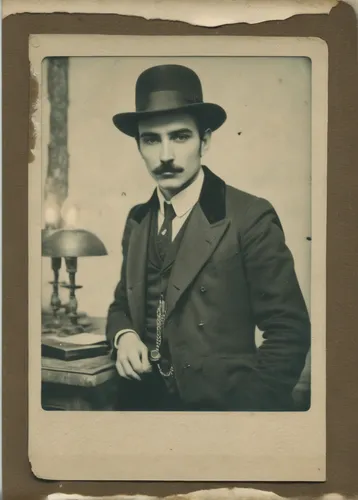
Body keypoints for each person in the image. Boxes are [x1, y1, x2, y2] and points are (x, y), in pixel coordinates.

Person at [105, 64, 311, 411]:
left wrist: (243, 418)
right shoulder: (138, 220)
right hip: (142, 410)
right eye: (151, 139)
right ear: (139, 146)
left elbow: (289, 331)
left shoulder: (249, 217)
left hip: (222, 411)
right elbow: (120, 307)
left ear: (206, 140)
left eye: (180, 136)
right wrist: (123, 336)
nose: (165, 155)